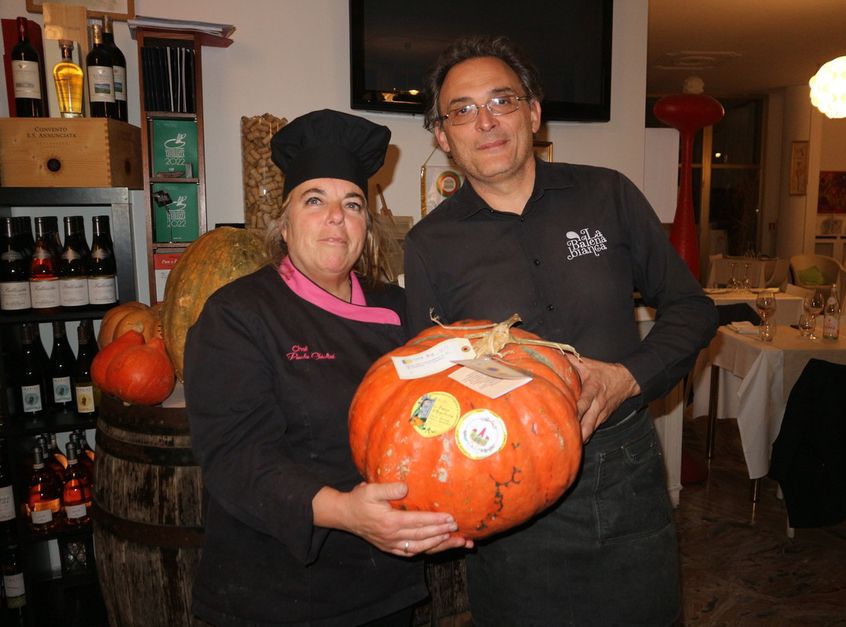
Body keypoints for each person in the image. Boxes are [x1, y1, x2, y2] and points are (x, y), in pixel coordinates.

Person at [404, 36, 719, 626]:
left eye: (503, 100)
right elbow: (431, 387)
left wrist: (628, 378)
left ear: (533, 112)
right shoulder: (429, 245)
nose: (487, 121)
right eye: (463, 110)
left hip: (622, 470)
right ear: (443, 137)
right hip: (506, 486)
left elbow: (692, 308)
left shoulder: (608, 194)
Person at [185, 109, 471, 627]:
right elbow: (237, 458)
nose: (336, 217)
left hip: (384, 586)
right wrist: (347, 512)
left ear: (367, 224)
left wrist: (457, 502)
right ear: (285, 222)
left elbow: (439, 420)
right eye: (314, 200)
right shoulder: (238, 314)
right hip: (274, 593)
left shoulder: (403, 310)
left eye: (352, 203)